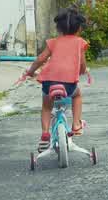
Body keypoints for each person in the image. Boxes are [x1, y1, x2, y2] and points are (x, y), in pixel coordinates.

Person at [25, 8, 89, 151]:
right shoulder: (80, 43)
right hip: (68, 85)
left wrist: (30, 72)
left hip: (49, 83)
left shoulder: (53, 42)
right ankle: (77, 124)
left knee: (47, 107)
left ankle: (45, 134)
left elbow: (41, 59)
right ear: (79, 28)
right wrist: (83, 71)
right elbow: (82, 65)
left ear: (58, 29)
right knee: (77, 96)